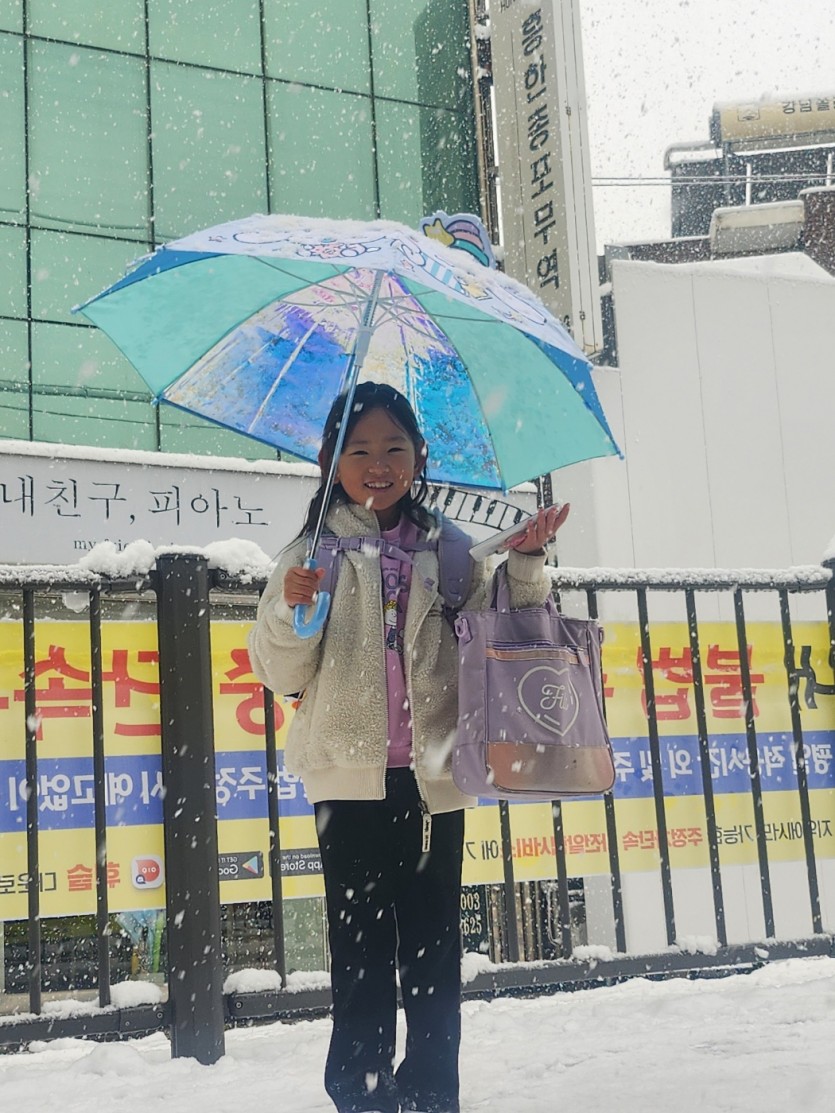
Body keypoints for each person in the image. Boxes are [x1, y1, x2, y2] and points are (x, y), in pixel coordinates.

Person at [248, 383, 568, 1113]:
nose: (379, 463)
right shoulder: (310, 554)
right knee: (359, 946)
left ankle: (430, 1091)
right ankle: (360, 1091)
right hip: (347, 781)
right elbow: (280, 672)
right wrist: (292, 610)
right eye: (359, 449)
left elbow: (508, 635)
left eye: (394, 447)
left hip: (434, 780)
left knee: (432, 944)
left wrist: (526, 561)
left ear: (420, 457)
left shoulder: (451, 550)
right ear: (330, 460)